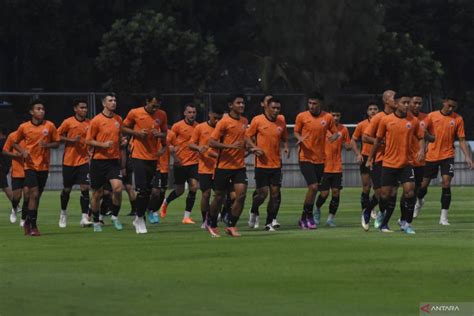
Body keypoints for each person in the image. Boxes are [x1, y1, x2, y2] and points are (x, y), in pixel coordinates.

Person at [367, 92, 425, 234]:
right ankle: (383, 220)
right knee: (385, 196)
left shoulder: (413, 121)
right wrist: (370, 158)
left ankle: (406, 223)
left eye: (408, 103)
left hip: (407, 163)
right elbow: (378, 140)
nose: (407, 105)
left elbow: (421, 136)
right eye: (404, 102)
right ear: (397, 103)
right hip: (389, 164)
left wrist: (422, 149)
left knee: (410, 192)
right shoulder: (386, 120)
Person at [207, 94, 263, 237]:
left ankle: (231, 225)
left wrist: (253, 147)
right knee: (219, 197)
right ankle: (212, 223)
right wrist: (229, 146)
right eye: (238, 103)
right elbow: (211, 142)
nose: (242, 105)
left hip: (239, 166)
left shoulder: (244, 121)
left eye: (243, 103)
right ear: (231, 105)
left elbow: (244, 137)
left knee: (242, 195)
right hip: (223, 166)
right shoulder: (223, 122)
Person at [416, 96, 473, 225]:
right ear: (444, 103)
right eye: (449, 105)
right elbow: (422, 132)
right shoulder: (432, 116)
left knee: (446, 183)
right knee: (423, 185)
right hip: (431, 155)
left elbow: (462, 139)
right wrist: (423, 148)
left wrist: (468, 157)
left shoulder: (458, 119)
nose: (451, 108)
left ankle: (443, 217)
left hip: (448, 155)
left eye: (454, 107)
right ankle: (419, 201)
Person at [122, 93, 167, 234]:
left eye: (157, 106)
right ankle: (140, 218)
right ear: (147, 102)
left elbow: (165, 133)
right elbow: (123, 128)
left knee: (152, 192)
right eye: (153, 105)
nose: (155, 109)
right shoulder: (135, 112)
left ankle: (141, 215)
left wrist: (159, 135)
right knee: (142, 190)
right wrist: (137, 133)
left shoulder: (162, 114)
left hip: (153, 157)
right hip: (138, 155)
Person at [13, 100, 60, 236]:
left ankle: (28, 221)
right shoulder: (24, 127)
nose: (41, 111)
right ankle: (33, 226)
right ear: (31, 112)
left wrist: (47, 145)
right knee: (33, 194)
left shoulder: (50, 126)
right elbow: (15, 143)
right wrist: (23, 152)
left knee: (36, 197)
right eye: (38, 109)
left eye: (43, 109)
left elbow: (57, 143)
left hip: (44, 167)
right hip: (29, 166)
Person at [294, 93, 339, 229]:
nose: (312, 106)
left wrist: (335, 136)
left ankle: (306, 217)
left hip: (320, 159)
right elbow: (296, 131)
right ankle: (305, 218)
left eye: (314, 103)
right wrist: (300, 138)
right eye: (310, 103)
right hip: (305, 157)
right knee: (313, 187)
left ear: (321, 104)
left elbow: (335, 131)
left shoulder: (328, 117)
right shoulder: (302, 116)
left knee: (314, 191)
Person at [246, 98, 289, 231]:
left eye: (278, 108)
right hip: (261, 165)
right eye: (273, 108)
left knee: (275, 194)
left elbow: (285, 137)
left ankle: (269, 223)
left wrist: (286, 147)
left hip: (276, 164)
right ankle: (253, 210)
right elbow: (247, 136)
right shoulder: (257, 120)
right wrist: (254, 147)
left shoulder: (281, 122)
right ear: (267, 107)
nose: (276, 111)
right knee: (262, 194)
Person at [85, 93, 124, 232]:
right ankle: (96, 221)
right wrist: (102, 145)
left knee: (118, 188)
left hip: (113, 161)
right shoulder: (96, 120)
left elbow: (119, 138)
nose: (114, 102)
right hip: (98, 162)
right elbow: (88, 140)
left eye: (115, 100)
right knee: (96, 194)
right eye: (110, 100)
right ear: (104, 103)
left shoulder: (118, 119)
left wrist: (122, 142)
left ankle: (114, 216)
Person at [362, 90, 397, 230]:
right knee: (380, 193)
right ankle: (368, 209)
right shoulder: (379, 118)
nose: (397, 101)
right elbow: (365, 137)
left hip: (397, 160)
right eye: (394, 98)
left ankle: (383, 218)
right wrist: (381, 143)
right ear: (386, 101)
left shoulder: (402, 117)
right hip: (380, 159)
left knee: (392, 192)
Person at [160, 104, 199, 224]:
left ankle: (186, 217)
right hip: (180, 163)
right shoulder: (177, 126)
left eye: (193, 112)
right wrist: (174, 156)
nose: (192, 114)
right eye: (189, 112)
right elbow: (169, 142)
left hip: (194, 162)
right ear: (185, 113)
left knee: (193, 186)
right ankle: (166, 202)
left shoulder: (198, 127)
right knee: (179, 191)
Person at [56, 99, 92, 228]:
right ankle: (63, 213)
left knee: (85, 188)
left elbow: (94, 138)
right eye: (81, 107)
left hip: (83, 160)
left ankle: (84, 217)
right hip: (69, 161)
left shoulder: (90, 123)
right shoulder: (68, 122)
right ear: (75, 109)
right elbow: (57, 136)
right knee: (67, 189)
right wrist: (70, 140)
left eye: (85, 108)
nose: (84, 110)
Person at [314, 108, 351, 227]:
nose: (335, 118)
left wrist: (348, 146)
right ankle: (317, 209)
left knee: (336, 193)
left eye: (338, 115)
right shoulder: (323, 128)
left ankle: (330, 218)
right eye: (333, 115)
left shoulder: (343, 129)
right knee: (324, 194)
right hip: (324, 166)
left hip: (337, 167)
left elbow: (347, 144)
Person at [189, 107, 224, 228]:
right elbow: (191, 144)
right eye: (215, 118)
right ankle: (205, 219)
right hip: (205, 168)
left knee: (223, 196)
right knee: (206, 194)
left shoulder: (224, 128)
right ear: (209, 114)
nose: (217, 121)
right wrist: (199, 148)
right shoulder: (200, 127)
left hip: (221, 167)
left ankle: (217, 215)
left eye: (220, 118)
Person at [351, 102, 380, 224]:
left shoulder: (383, 123)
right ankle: (365, 211)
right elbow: (353, 140)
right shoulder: (362, 125)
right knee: (366, 186)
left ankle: (371, 207)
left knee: (379, 187)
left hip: (379, 157)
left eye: (375, 109)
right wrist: (358, 154)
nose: (373, 111)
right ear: (367, 112)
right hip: (366, 157)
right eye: (370, 109)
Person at [407, 95, 428, 218]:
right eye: (415, 103)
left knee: (415, 189)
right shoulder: (403, 117)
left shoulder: (426, 118)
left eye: (420, 103)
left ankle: (406, 218)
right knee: (394, 190)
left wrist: (427, 137)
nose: (417, 105)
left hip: (420, 159)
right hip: (404, 159)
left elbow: (432, 137)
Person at [2, 128, 29, 225]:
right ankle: (14, 209)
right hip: (17, 171)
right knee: (17, 196)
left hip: (30, 170)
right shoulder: (12, 136)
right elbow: (4, 151)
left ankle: (23, 219)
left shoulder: (33, 136)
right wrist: (15, 155)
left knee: (27, 196)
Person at [148, 129, 173, 223]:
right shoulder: (150, 131)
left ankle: (154, 211)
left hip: (165, 167)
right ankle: (150, 210)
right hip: (154, 167)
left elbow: (177, 145)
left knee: (162, 191)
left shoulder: (171, 133)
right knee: (154, 192)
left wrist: (174, 148)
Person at [0, 126, 13, 205]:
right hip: (6, 166)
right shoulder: (8, 142)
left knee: (5, 187)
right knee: (4, 186)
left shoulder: (1, 143)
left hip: (1, 167)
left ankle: (16, 205)